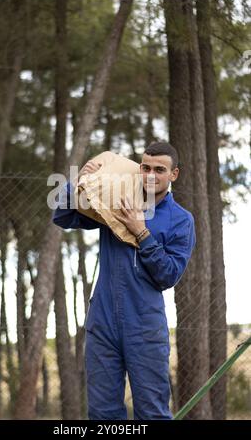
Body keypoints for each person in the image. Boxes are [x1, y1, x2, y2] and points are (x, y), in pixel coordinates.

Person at [52, 141, 196, 420]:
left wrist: (142, 233)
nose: (151, 175)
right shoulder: (116, 199)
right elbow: (63, 215)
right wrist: (78, 180)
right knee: (102, 413)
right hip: (102, 322)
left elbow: (167, 275)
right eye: (146, 167)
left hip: (144, 326)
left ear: (173, 174)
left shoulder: (181, 220)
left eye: (160, 169)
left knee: (152, 413)